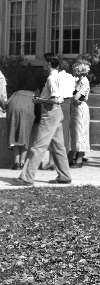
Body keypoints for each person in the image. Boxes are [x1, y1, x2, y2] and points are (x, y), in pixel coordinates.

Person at [15, 53, 72, 187]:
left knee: (38, 146)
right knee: (58, 147)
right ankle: (64, 176)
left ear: (48, 64)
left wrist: (39, 100)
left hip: (50, 112)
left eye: (44, 62)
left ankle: (27, 177)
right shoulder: (61, 76)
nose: (43, 64)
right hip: (57, 113)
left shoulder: (52, 78)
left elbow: (55, 99)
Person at [6, 87, 36, 170]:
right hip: (27, 111)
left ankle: (16, 163)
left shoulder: (16, 93)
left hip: (13, 110)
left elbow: (6, 103)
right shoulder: (33, 94)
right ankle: (22, 163)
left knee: (14, 136)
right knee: (25, 137)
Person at [69, 61, 91, 168]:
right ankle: (71, 157)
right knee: (74, 133)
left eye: (77, 69)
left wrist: (69, 98)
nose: (75, 72)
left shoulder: (84, 82)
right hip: (74, 108)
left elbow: (76, 97)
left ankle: (79, 159)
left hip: (80, 108)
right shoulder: (77, 80)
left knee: (80, 133)